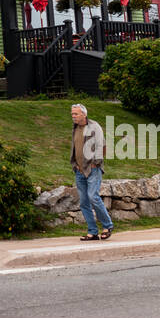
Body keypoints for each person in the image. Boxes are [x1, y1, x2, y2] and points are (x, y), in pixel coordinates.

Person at [71, 103, 113, 241]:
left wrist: (97, 163)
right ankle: (92, 231)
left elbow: (102, 145)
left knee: (92, 197)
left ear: (84, 114)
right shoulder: (76, 128)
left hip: (93, 169)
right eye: (72, 114)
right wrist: (75, 165)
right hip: (79, 170)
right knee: (83, 201)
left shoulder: (94, 127)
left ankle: (107, 225)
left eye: (76, 114)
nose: (73, 116)